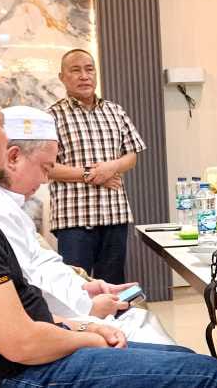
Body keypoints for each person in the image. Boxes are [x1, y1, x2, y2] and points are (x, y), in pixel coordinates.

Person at [0, 67, 217, 388]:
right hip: (5, 377)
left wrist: (82, 325)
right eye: (1, 127)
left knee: (181, 358)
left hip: (18, 360)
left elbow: (20, 314)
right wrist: (89, 337)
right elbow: (21, 343)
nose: (8, 139)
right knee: (210, 376)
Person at [0, 105, 175, 346]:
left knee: (147, 324)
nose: (45, 179)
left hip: (74, 310)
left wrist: (85, 287)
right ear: (13, 158)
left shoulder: (11, 207)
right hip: (61, 325)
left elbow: (44, 264)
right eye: (45, 168)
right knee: (174, 353)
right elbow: (30, 288)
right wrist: (89, 306)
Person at [48, 49, 146, 284]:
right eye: (76, 70)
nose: (84, 76)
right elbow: (47, 166)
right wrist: (91, 174)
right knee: (76, 287)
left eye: (89, 69)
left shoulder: (115, 111)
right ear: (62, 77)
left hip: (114, 213)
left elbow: (131, 155)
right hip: (73, 218)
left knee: (113, 286)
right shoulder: (51, 116)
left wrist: (111, 168)